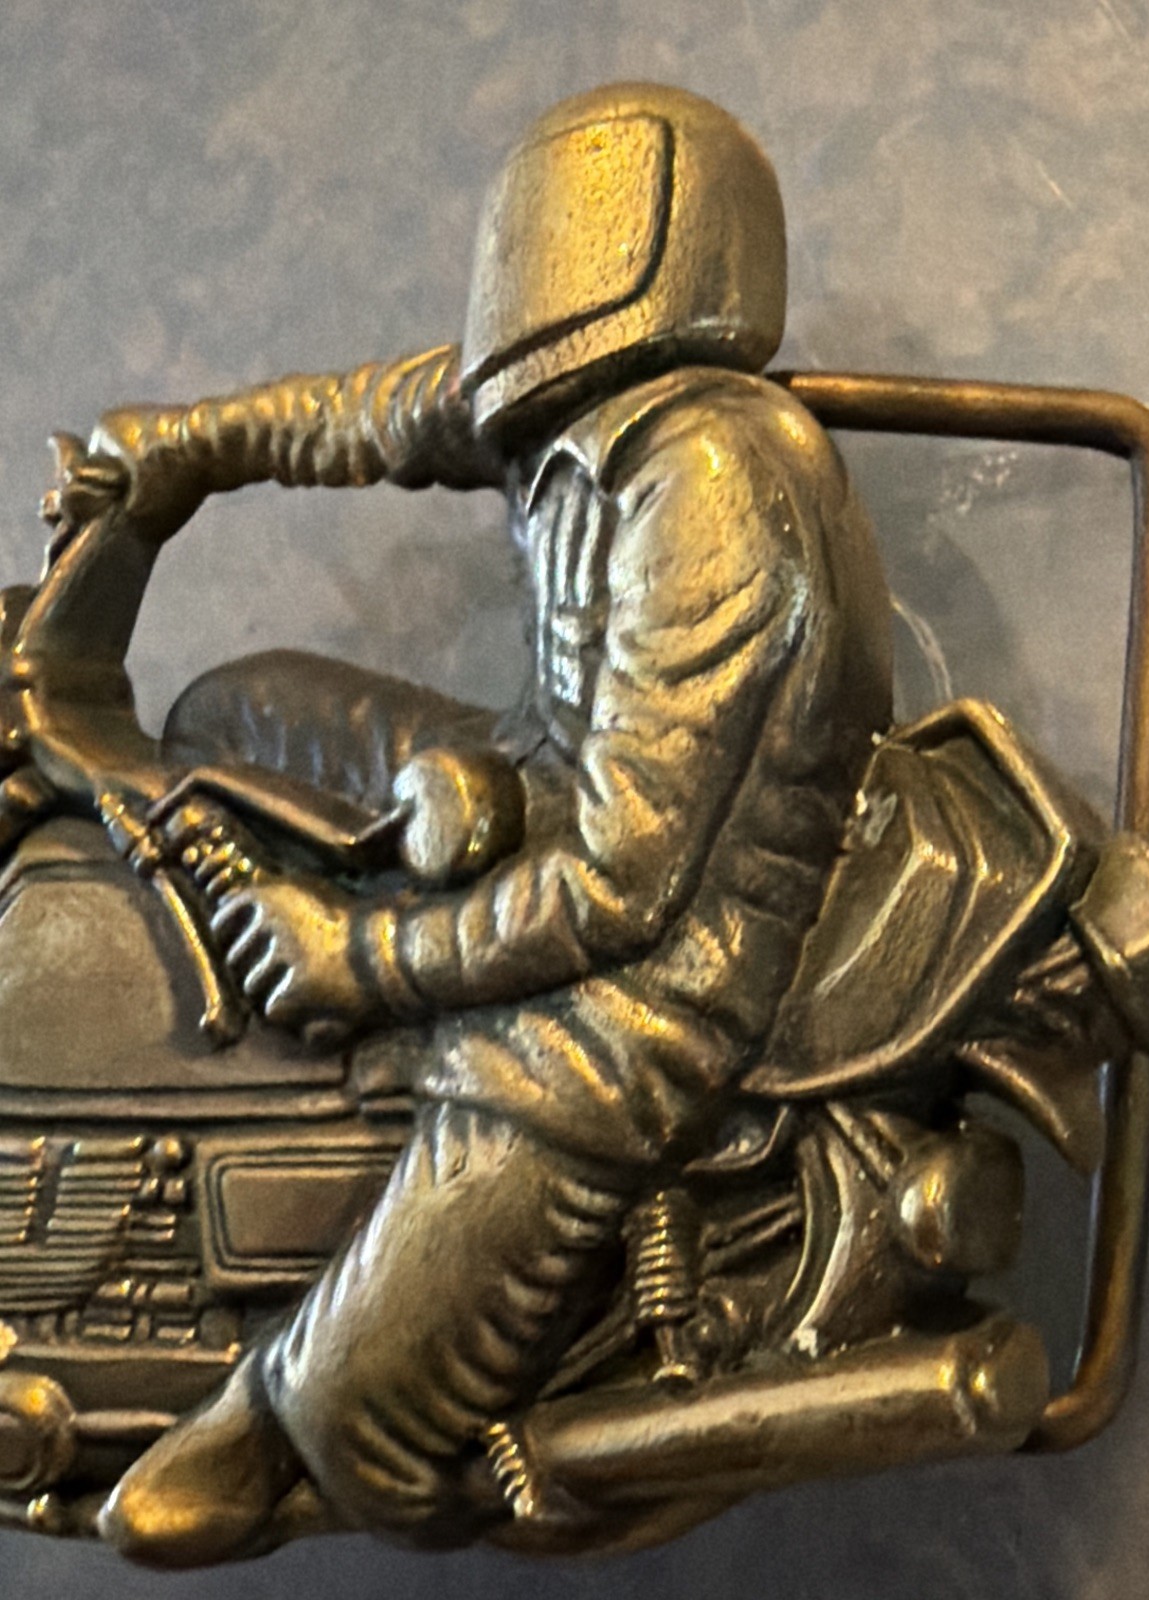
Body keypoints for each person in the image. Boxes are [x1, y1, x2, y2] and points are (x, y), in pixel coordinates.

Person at [91, 82, 894, 1565]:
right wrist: (187, 447)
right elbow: (372, 417)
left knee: (355, 1436)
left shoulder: (711, 480)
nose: (540, 257)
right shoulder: (572, 422)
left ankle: (410, 1407)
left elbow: (623, 885)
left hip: (657, 985)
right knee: (229, 713)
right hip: (535, 789)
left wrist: (360, 959)